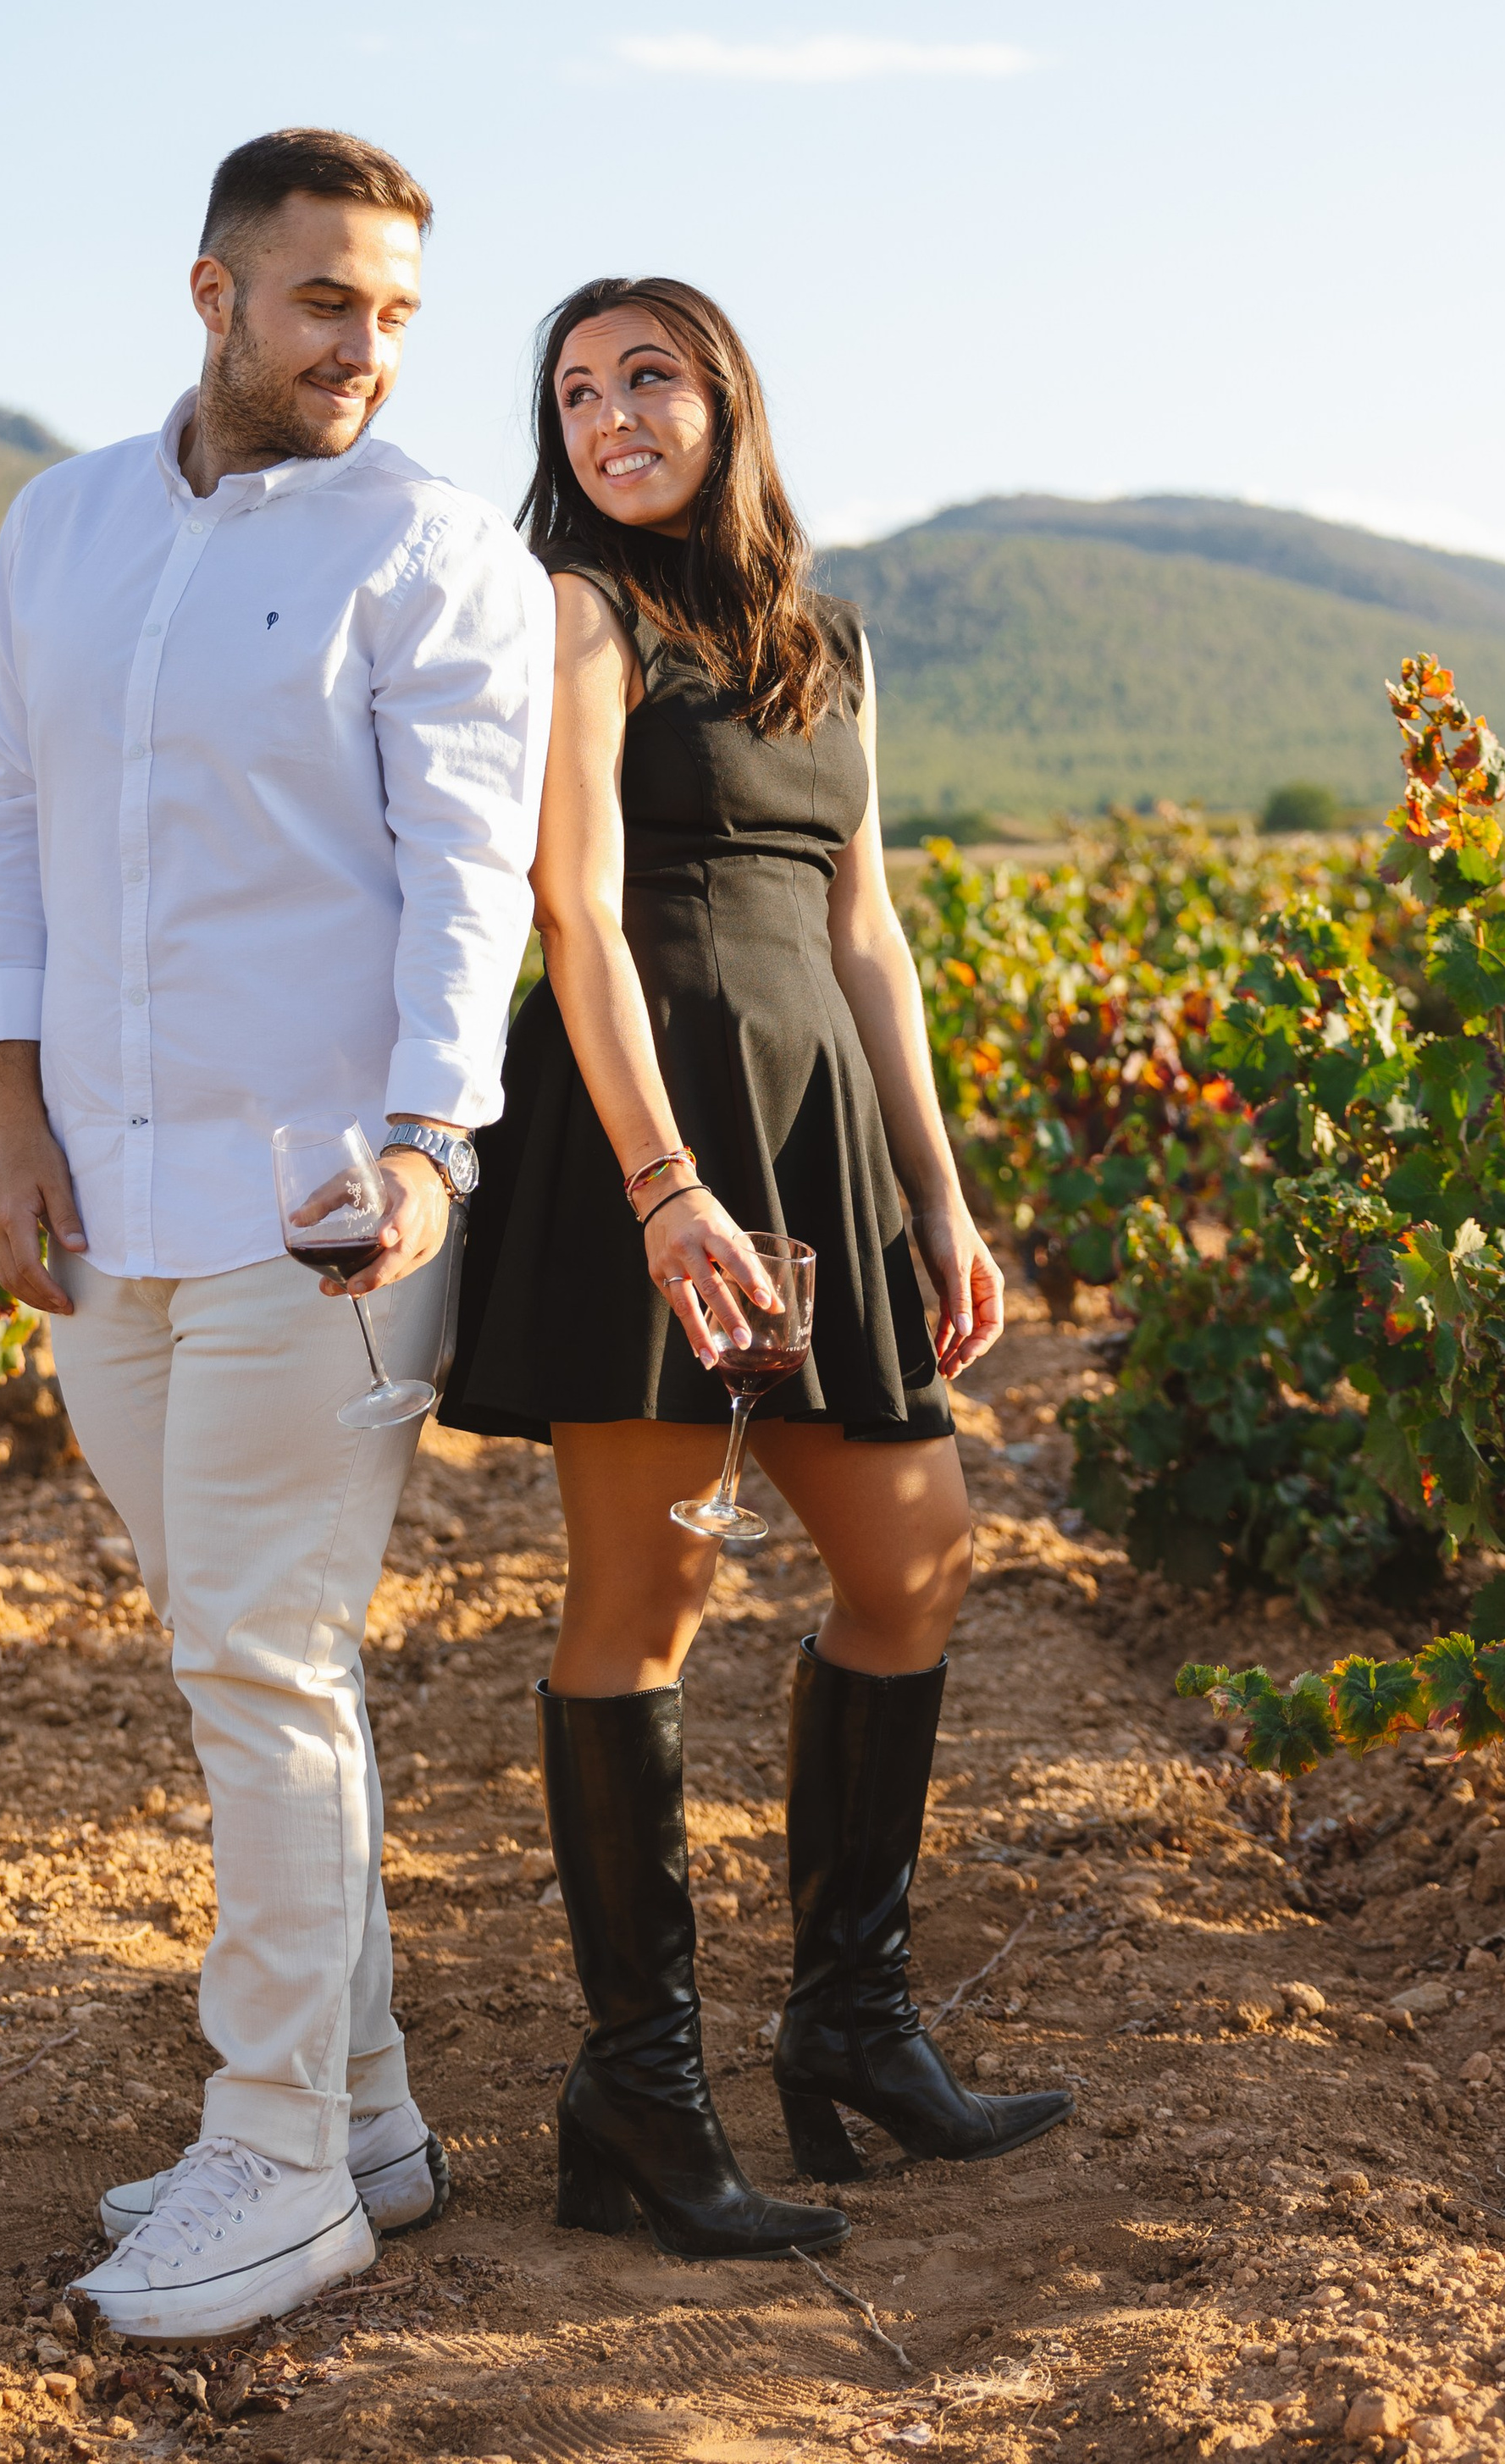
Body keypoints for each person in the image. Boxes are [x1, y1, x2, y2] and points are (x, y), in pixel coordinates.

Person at [0, 128, 553, 2339]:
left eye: (398, 313)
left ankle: (279, 2158)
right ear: (212, 295)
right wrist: (10, 1116)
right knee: (236, 1652)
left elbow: (467, 872)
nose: (366, 351)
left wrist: (422, 1141)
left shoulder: (434, 549)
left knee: (263, 1662)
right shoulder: (62, 524)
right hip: (102, 1206)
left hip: (327, 1215)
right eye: (326, 305)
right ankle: (368, 2114)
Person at [441, 276, 1075, 2261]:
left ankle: (853, 2027)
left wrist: (937, 1195)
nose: (608, 414)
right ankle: (635, 2093)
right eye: (571, 390)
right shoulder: (574, 612)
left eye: (647, 377)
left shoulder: (822, 639)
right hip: (654, 1131)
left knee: (914, 1559)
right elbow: (575, 907)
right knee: (654, 1587)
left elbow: (866, 935)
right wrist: (657, 1183)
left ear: (726, 397)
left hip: (823, 1142)